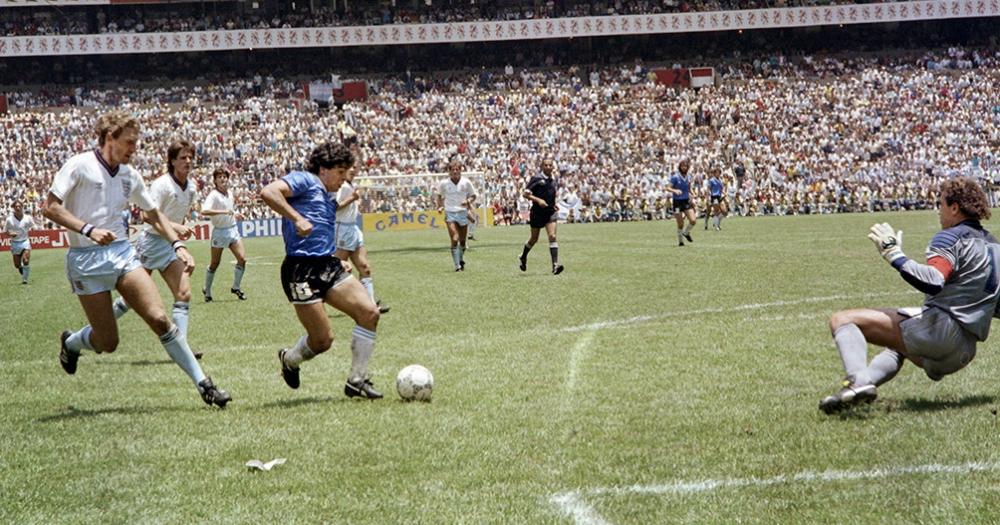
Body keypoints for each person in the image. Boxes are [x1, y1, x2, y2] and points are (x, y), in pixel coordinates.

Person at [44, 110, 230, 407]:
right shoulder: (78, 166)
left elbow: (153, 213)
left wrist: (178, 243)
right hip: (85, 259)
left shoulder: (130, 176)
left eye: (136, 143)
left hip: (121, 254)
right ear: (109, 138)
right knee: (108, 343)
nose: (134, 149)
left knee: (159, 319)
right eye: (129, 143)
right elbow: (51, 207)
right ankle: (71, 342)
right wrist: (88, 229)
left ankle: (205, 385)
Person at [819, 177, 1000, 414]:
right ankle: (859, 390)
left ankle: (857, 382)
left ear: (954, 207)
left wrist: (894, 254)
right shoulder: (995, 246)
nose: (938, 211)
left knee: (842, 320)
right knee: (897, 346)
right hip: (964, 353)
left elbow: (933, 281)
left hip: (941, 334)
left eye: (941, 204)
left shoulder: (949, 237)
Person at [261, 142, 383, 399]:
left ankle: (357, 380)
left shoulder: (329, 196)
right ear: (323, 169)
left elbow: (322, 232)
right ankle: (290, 360)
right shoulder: (304, 180)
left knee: (370, 313)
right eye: (340, 171)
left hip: (327, 265)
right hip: (299, 270)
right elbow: (269, 192)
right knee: (322, 341)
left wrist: (336, 259)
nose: (343, 178)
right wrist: (296, 218)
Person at [111, 139, 203, 359]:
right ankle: (90, 330)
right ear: (172, 161)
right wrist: (177, 228)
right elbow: (145, 216)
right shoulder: (162, 185)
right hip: (151, 243)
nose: (188, 161)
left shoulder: (191, 187)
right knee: (131, 300)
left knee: (183, 293)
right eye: (183, 157)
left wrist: (176, 233)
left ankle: (181, 347)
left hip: (169, 244)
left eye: (191, 157)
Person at [334, 158, 389, 314]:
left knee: (365, 267)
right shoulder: (342, 187)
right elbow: (334, 207)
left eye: (355, 168)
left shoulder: (350, 185)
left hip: (353, 228)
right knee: (338, 270)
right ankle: (320, 298)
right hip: (342, 228)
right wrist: (351, 198)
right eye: (350, 167)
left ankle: (370, 305)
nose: (353, 170)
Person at [201, 168, 248, 302]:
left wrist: (236, 214)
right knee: (215, 263)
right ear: (215, 180)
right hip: (220, 232)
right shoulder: (213, 195)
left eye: (225, 176)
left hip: (232, 229)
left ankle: (236, 287)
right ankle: (208, 292)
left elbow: (230, 210)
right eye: (220, 177)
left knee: (242, 259)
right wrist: (222, 212)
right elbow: (204, 211)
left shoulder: (230, 193)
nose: (223, 179)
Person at [518, 156, 564, 275]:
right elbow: (525, 194)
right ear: (542, 166)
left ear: (553, 167)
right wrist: (538, 200)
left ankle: (555, 266)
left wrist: (554, 204)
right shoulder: (536, 178)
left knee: (552, 236)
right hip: (537, 213)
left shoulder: (553, 180)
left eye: (550, 165)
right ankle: (523, 257)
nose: (548, 167)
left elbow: (550, 195)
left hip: (550, 213)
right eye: (546, 165)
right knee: (534, 239)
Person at [436, 155, 477, 272]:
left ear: (460, 170)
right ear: (449, 171)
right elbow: (439, 196)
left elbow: (473, 195)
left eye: (457, 169)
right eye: (452, 170)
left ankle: (460, 258)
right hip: (450, 213)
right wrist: (439, 207)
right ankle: (457, 265)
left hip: (463, 213)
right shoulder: (444, 183)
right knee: (455, 238)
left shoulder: (466, 182)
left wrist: (468, 201)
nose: (455, 171)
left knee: (463, 242)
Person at [667, 159, 697, 246]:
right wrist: (675, 190)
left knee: (693, 220)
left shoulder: (689, 177)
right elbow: (668, 188)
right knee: (680, 223)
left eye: (686, 166)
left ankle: (686, 232)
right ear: (680, 167)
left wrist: (693, 193)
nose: (684, 168)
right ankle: (680, 241)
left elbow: (689, 187)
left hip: (686, 201)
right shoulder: (675, 177)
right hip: (677, 202)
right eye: (682, 166)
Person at [5, 201, 34, 284]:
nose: (18, 208)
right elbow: (6, 232)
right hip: (15, 243)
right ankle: (21, 269)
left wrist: (33, 228)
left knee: (26, 260)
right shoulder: (9, 220)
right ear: (13, 208)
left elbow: (33, 225)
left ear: (22, 207)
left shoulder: (28, 218)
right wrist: (10, 234)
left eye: (19, 206)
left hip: (25, 241)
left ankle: (25, 279)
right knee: (17, 265)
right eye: (16, 206)